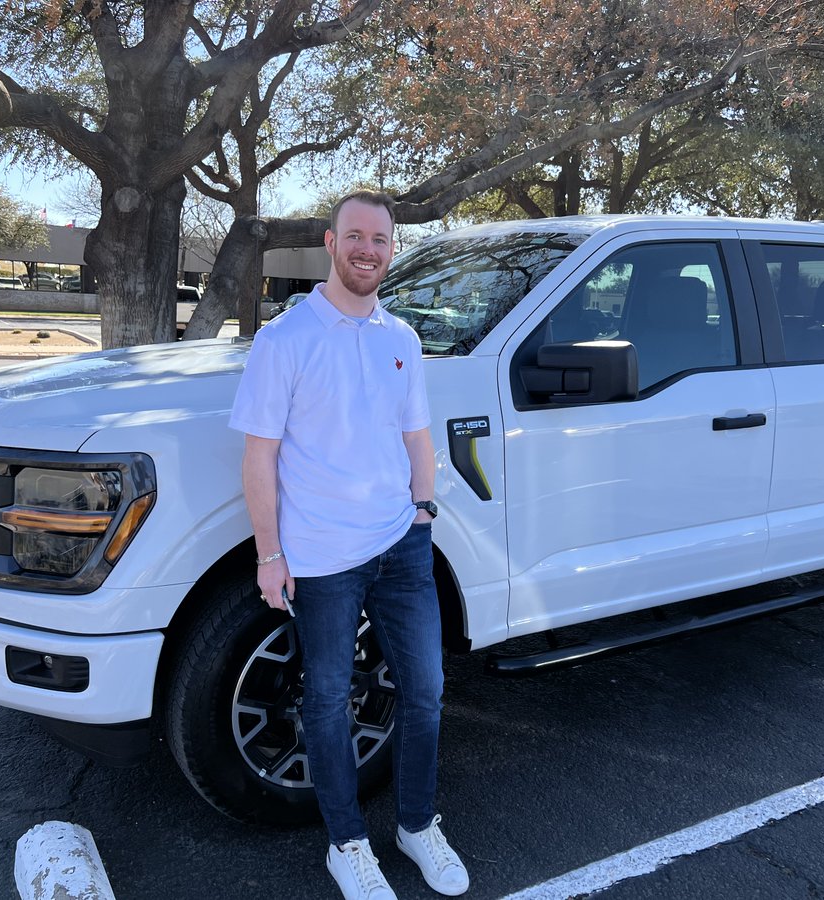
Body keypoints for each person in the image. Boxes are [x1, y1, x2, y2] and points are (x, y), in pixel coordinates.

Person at [229, 190, 469, 900]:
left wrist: (422, 509)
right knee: (327, 700)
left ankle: (417, 826)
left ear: (392, 250)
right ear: (331, 243)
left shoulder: (400, 338)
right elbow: (259, 457)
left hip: (402, 546)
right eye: (356, 236)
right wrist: (270, 555)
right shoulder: (286, 339)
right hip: (322, 558)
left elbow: (415, 433)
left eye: (381, 240)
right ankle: (348, 843)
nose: (369, 250)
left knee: (425, 692)